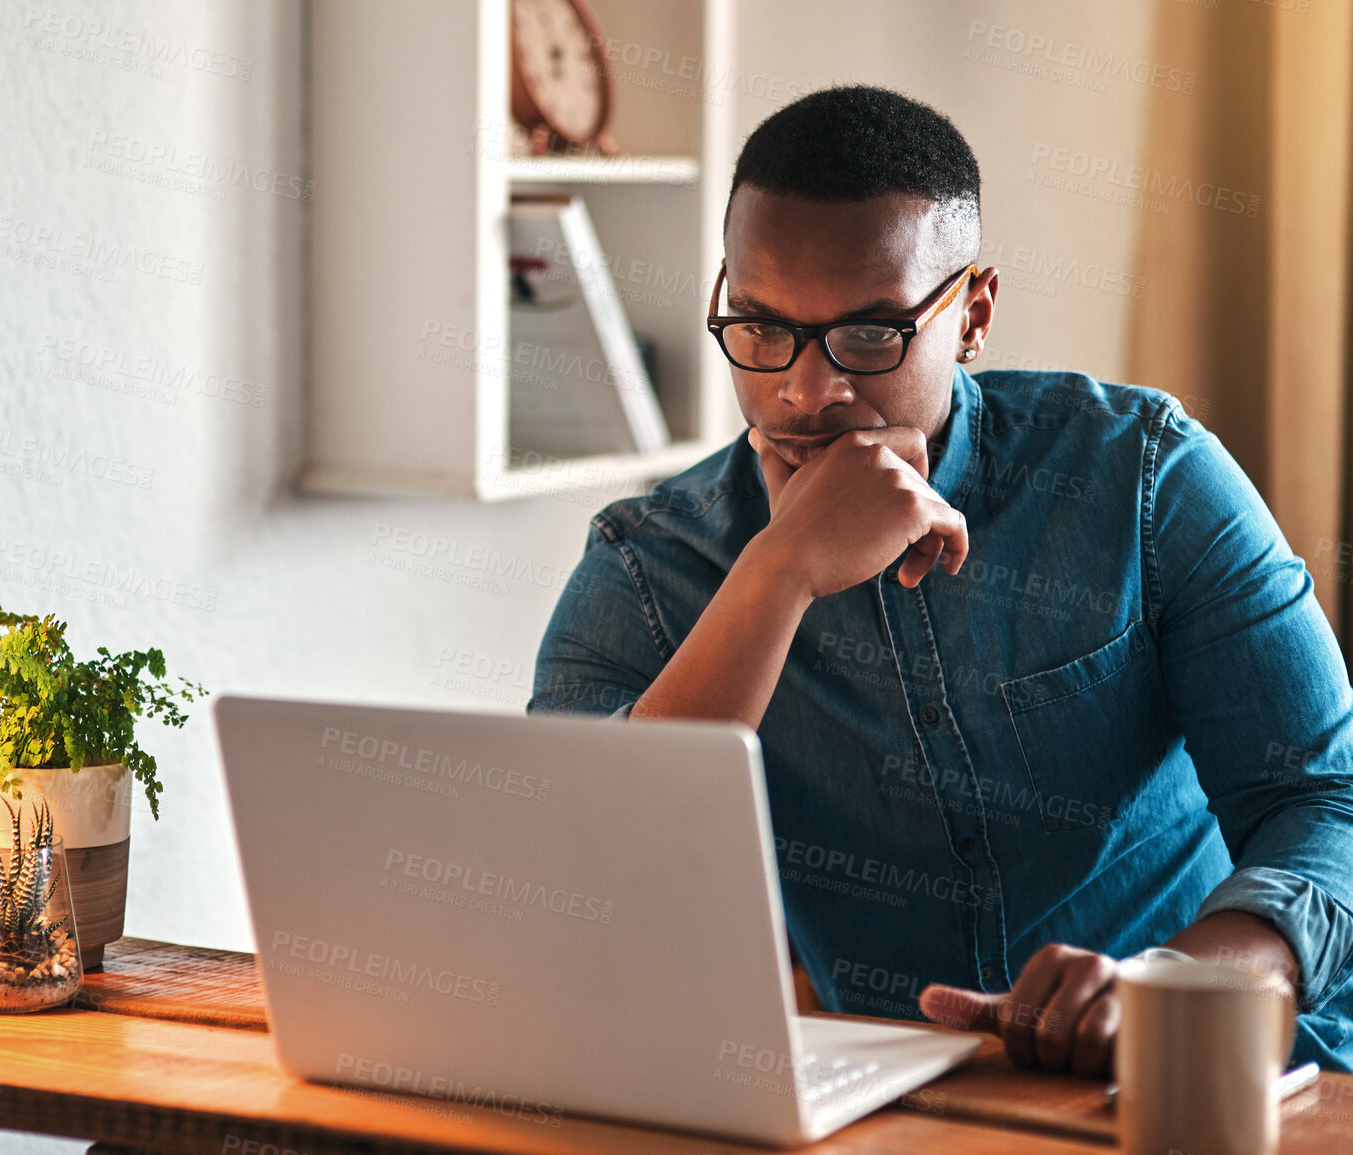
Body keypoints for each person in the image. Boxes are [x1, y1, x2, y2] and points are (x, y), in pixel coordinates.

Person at [527, 84, 1353, 1077]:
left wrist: (1182, 989)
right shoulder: (651, 561)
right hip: (893, 1106)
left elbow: (1324, 798)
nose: (805, 389)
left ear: (974, 316)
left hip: (1218, 1074)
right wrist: (778, 573)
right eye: (759, 326)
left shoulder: (1142, 474)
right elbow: (578, 867)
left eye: (870, 335)